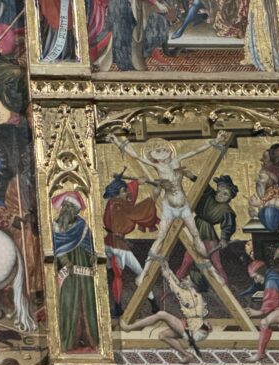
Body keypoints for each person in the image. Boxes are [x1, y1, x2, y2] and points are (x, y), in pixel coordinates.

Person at [108, 132, 232, 286]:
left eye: (164, 148)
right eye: (158, 150)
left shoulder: (177, 160)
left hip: (183, 206)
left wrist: (216, 140)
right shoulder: (157, 166)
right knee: (161, 238)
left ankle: (213, 273)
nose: (163, 150)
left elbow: (196, 150)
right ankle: (144, 274)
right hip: (169, 208)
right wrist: (118, 142)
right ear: (153, 156)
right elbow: (136, 156)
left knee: (196, 236)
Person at [119, 260, 210, 362]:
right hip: (192, 328)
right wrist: (168, 270)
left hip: (195, 331)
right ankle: (187, 355)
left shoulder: (191, 295)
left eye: (187, 279)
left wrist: (168, 277)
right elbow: (178, 284)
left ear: (192, 284)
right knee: (163, 336)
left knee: (162, 314)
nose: (184, 279)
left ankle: (129, 328)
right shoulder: (191, 291)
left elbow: (177, 289)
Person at [102, 173, 158, 315]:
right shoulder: (119, 206)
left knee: (117, 275)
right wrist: (153, 198)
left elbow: (128, 197)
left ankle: (118, 307)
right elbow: (135, 211)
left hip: (108, 244)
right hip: (118, 247)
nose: (127, 193)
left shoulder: (112, 202)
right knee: (141, 273)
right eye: (123, 191)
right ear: (117, 193)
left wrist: (137, 182)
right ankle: (154, 304)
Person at [52, 191, 98, 353]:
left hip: (83, 268)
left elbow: (90, 245)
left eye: (70, 207)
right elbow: (56, 247)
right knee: (68, 301)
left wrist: (93, 257)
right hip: (66, 272)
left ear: (76, 211)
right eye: (64, 206)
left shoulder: (82, 226)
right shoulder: (56, 226)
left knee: (87, 300)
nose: (65, 210)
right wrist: (65, 261)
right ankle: (68, 339)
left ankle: (90, 338)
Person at [174, 176, 238, 284]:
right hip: (195, 229)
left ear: (230, 197)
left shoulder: (226, 211)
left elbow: (228, 226)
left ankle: (224, 284)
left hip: (208, 234)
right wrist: (192, 176)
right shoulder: (209, 195)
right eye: (219, 191)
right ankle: (178, 279)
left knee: (216, 261)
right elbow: (203, 184)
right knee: (188, 258)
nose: (220, 195)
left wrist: (224, 239)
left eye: (225, 194)